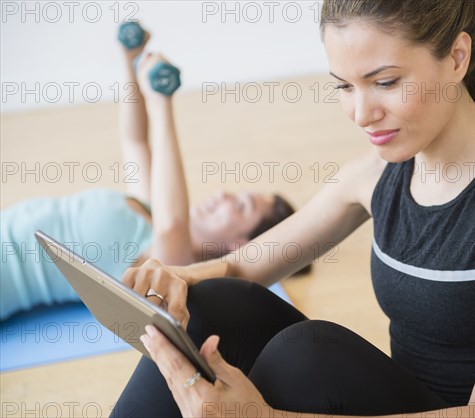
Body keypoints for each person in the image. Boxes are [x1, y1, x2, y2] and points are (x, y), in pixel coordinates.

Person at [110, 1, 475, 417]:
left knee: (308, 355)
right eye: (344, 86)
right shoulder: (378, 173)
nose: (362, 114)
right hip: (415, 402)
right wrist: (176, 278)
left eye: (384, 82)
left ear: (457, 57)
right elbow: (239, 265)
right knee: (212, 300)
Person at [0, 30, 306, 321]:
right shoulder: (152, 213)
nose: (224, 194)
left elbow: (174, 224)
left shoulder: (170, 261)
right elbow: (136, 142)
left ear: (239, 245)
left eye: (240, 207)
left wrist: (162, 103)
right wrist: (130, 63)